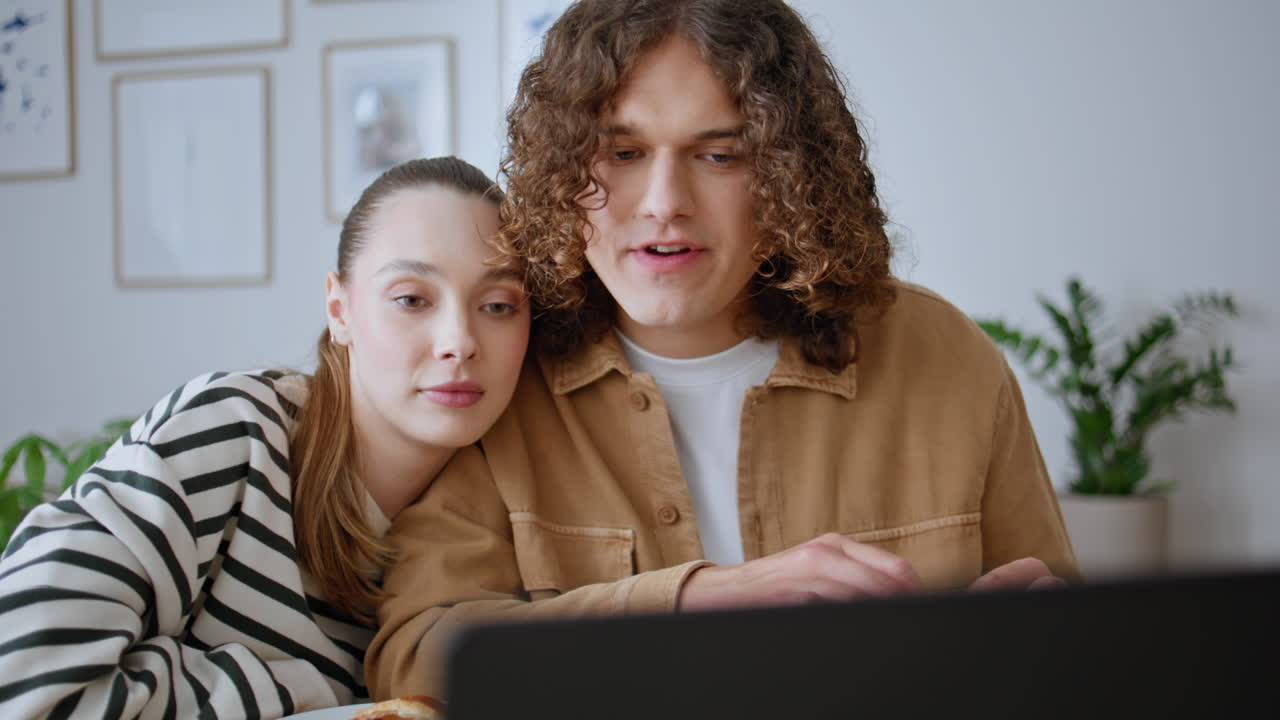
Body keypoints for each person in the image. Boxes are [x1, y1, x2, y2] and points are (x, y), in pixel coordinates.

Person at [366, 0, 1078, 698]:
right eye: (622, 152)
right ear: (562, 173)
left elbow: (1067, 635)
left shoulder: (945, 357)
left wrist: (1041, 640)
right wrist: (693, 600)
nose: (664, 201)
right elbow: (418, 649)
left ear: (790, 176)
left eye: (719, 154)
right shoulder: (502, 370)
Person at [0, 157, 531, 718]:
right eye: (411, 299)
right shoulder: (237, 431)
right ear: (340, 309)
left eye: (497, 305)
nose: (459, 341)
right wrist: (297, 696)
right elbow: (21, 677)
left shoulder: (503, 511)